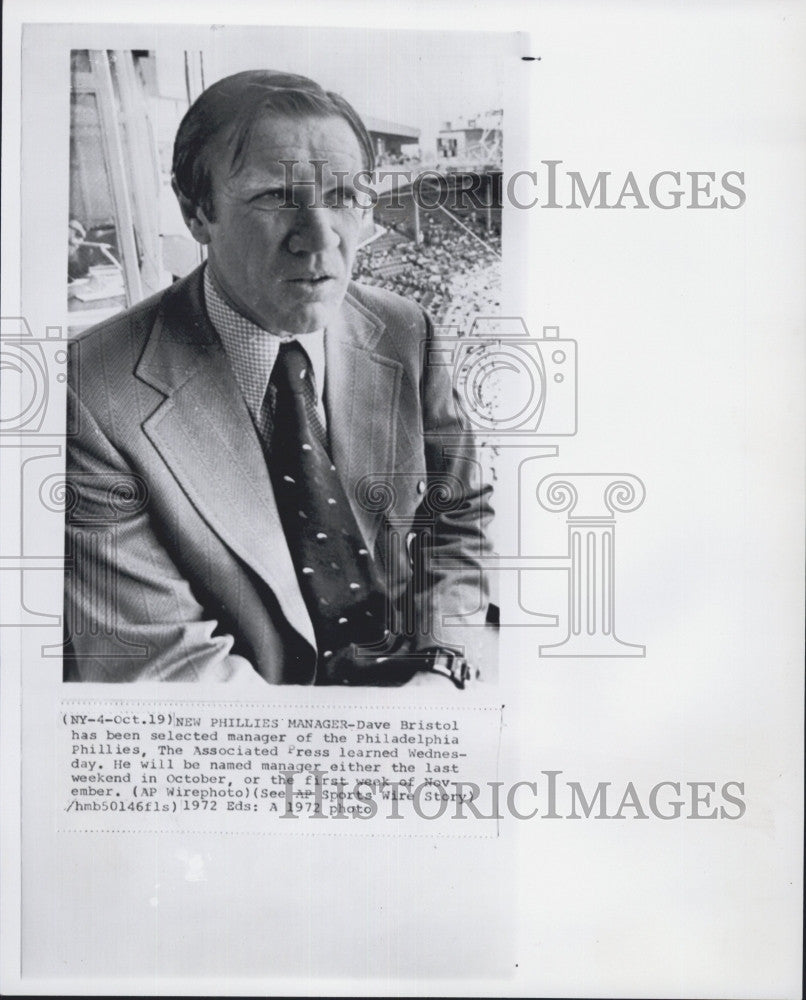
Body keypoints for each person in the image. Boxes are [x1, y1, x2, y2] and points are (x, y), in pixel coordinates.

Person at [64, 69, 493, 687]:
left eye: (345, 196)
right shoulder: (90, 396)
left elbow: (458, 515)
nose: (320, 237)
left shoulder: (406, 330)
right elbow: (165, 671)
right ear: (196, 213)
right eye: (274, 196)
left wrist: (441, 662)